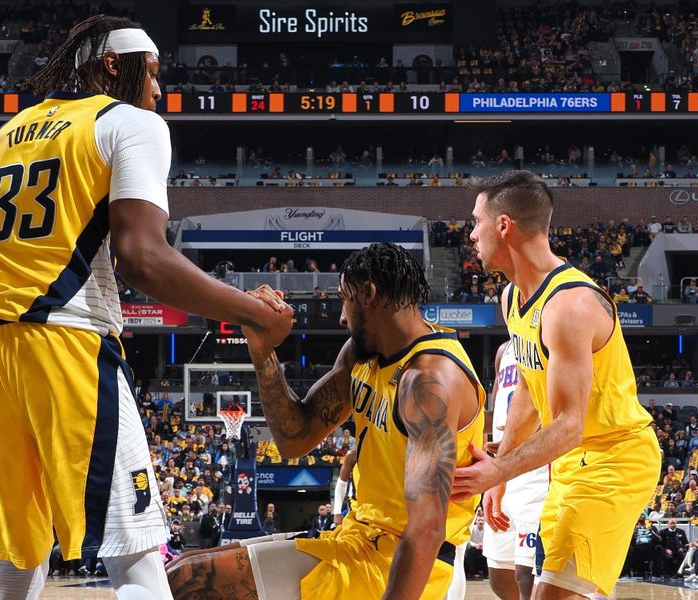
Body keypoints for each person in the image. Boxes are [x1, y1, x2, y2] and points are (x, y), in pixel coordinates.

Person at [0, 15, 292, 600]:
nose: (159, 90)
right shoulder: (128, 122)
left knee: (21, 563)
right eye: (155, 73)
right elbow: (142, 257)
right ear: (114, 65)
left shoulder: (5, 135)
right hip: (64, 341)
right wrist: (253, 312)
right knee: (136, 560)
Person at [167, 242, 485, 599]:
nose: (342, 318)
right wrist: (262, 349)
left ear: (369, 294)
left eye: (344, 300)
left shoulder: (430, 381)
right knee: (178, 568)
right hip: (360, 540)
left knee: (186, 580)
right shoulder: (361, 357)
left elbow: (426, 529)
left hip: (408, 566)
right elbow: (295, 438)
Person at [454, 170, 660, 599]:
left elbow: (568, 424)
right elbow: (529, 389)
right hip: (570, 464)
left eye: (477, 221)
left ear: (504, 225)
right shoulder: (512, 297)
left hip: (613, 459)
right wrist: (500, 476)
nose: (472, 233)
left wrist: (497, 468)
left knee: (553, 593)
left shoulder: (570, 306)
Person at [482, 341, 548, 600]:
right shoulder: (503, 351)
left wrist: (519, 438)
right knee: (499, 574)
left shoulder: (547, 339)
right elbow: (494, 412)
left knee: (526, 572)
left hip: (537, 469)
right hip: (502, 468)